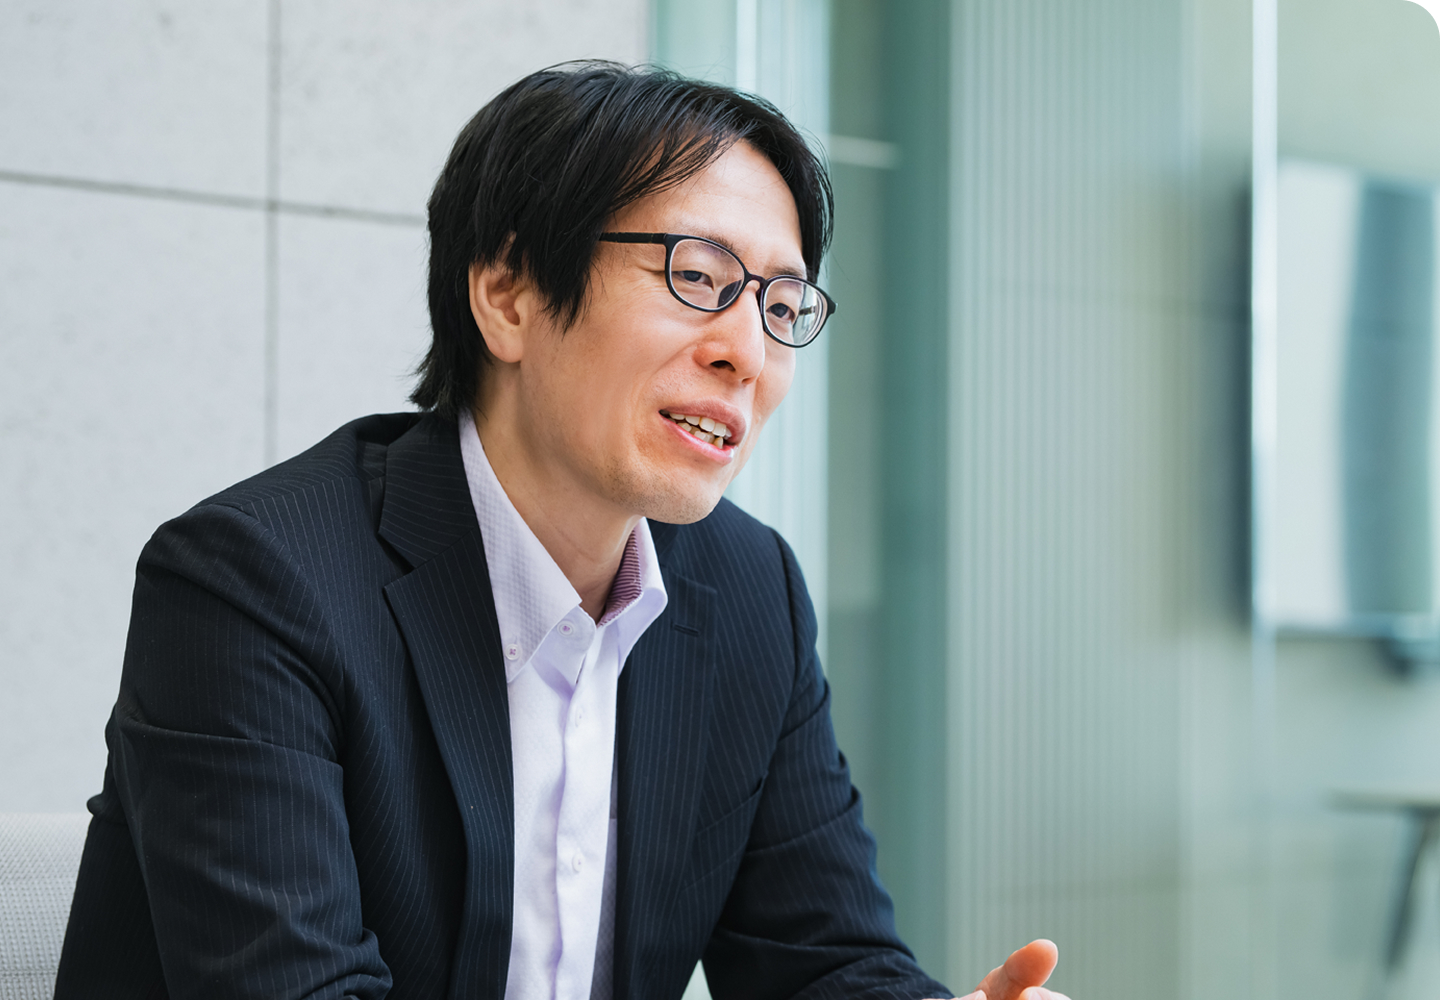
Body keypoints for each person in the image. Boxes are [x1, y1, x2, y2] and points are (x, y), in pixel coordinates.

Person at [54, 63, 1068, 1000]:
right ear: (508, 295)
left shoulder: (748, 587)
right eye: (698, 276)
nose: (748, 353)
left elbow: (826, 963)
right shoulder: (255, 584)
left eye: (782, 303)